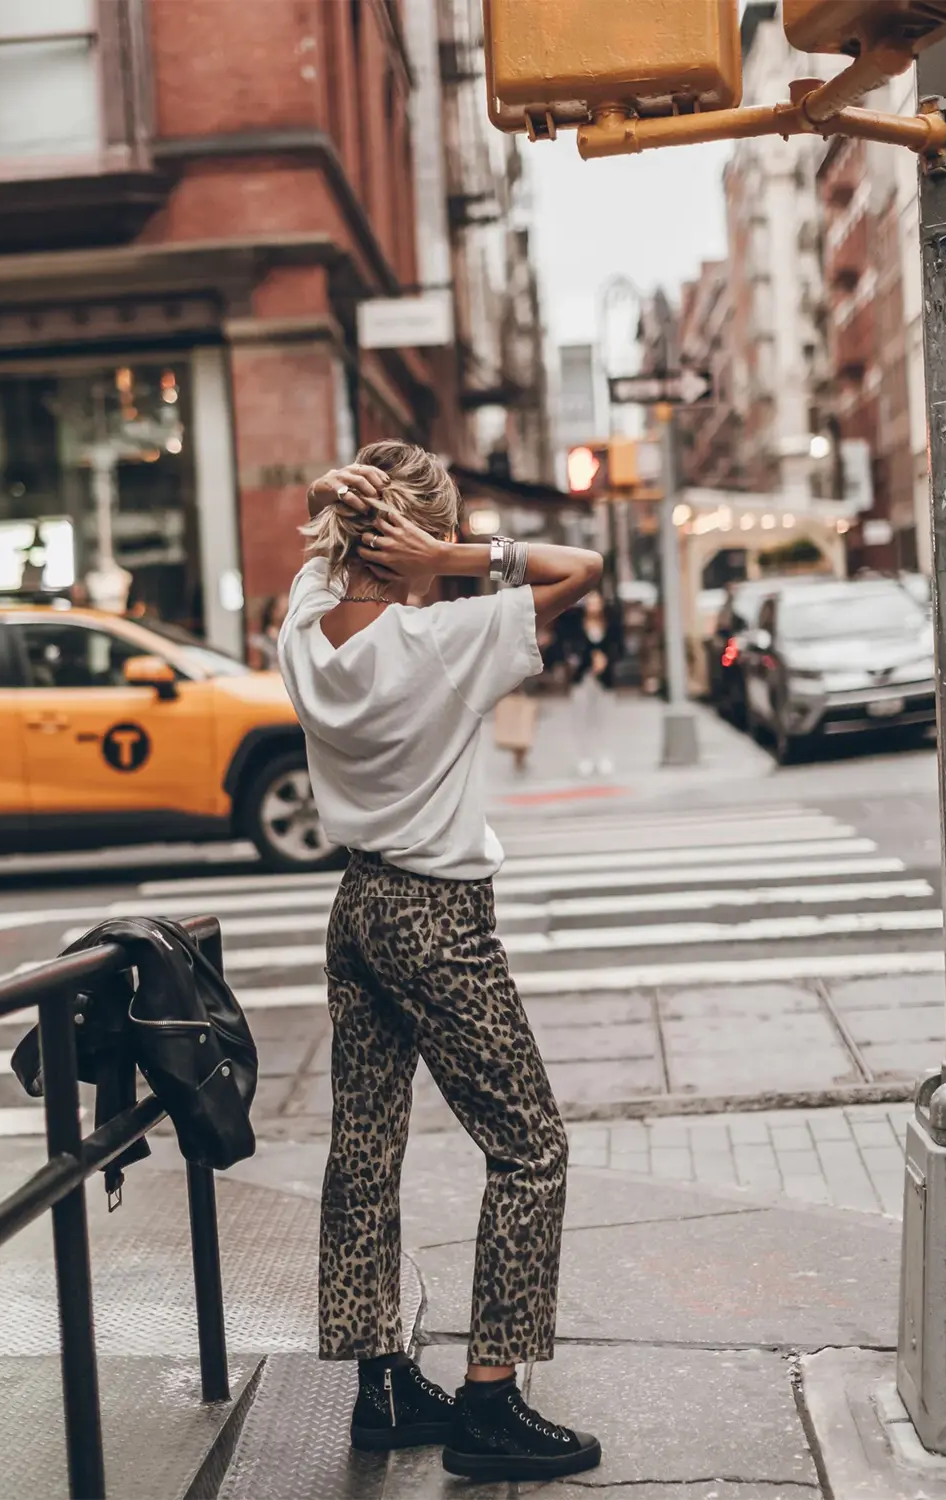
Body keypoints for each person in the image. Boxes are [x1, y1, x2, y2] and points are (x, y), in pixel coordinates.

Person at [277, 440, 605, 1484]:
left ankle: (380, 1385)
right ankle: (488, 1401)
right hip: (436, 917)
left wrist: (374, 530)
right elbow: (579, 571)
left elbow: (323, 572)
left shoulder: (305, 633)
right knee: (531, 1151)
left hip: (358, 904)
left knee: (365, 1150)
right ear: (418, 536)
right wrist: (455, 557)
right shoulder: (448, 640)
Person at [247, 593, 288, 671]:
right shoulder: (259, 641)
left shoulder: (291, 637)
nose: (286, 614)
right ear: (273, 612)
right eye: (284, 610)